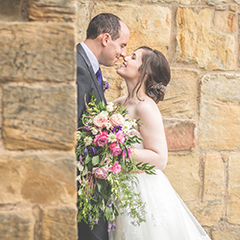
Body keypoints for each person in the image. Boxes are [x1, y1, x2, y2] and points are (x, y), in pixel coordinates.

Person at [110, 46, 211, 240]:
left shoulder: (146, 107)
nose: (125, 58)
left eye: (133, 57)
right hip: (117, 188)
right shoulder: (118, 103)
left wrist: (115, 150)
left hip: (140, 191)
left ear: (145, 72)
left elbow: (159, 158)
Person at [76, 13, 130, 240]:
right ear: (106, 38)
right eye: (123, 45)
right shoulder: (76, 67)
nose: (124, 53)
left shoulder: (89, 66)